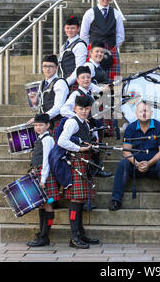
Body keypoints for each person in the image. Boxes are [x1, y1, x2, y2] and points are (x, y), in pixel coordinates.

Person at [109, 101, 160, 212]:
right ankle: (116, 200)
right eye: (141, 111)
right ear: (136, 113)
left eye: (146, 111)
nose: (143, 113)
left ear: (151, 112)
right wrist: (136, 163)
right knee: (123, 164)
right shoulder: (130, 128)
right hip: (136, 166)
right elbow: (126, 151)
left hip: (154, 166)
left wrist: (149, 164)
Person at [58, 95, 100, 249]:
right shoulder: (71, 122)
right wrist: (80, 148)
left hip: (83, 163)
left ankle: (80, 234)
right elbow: (62, 141)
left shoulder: (85, 124)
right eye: (81, 109)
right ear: (74, 108)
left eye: (87, 109)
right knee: (75, 200)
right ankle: (74, 237)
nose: (83, 111)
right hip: (75, 163)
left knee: (80, 200)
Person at [60, 65, 111, 178]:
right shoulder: (76, 94)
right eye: (82, 77)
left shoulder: (90, 92)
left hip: (91, 127)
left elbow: (94, 114)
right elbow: (63, 110)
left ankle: (95, 170)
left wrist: (95, 133)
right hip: (80, 129)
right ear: (77, 80)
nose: (86, 80)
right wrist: (79, 118)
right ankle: (92, 171)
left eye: (88, 77)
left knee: (95, 147)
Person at [80, 0, 125, 82]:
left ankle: (113, 98)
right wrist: (92, 49)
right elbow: (84, 35)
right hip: (93, 53)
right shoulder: (90, 13)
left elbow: (121, 36)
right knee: (92, 82)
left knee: (114, 83)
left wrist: (111, 48)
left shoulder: (116, 14)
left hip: (111, 53)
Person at [27, 113, 60, 247]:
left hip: (45, 175)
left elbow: (46, 160)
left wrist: (43, 179)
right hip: (39, 173)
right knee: (42, 204)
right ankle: (42, 234)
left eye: (41, 125)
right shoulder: (41, 138)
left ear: (48, 125)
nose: (38, 127)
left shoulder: (47, 139)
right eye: (36, 125)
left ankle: (45, 236)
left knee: (47, 204)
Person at [27, 54, 69, 142]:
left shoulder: (60, 83)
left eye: (50, 66)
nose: (47, 69)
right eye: (45, 66)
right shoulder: (42, 84)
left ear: (57, 68)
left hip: (56, 122)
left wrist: (40, 119)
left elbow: (58, 107)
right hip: (46, 123)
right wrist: (35, 103)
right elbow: (43, 106)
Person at [59, 16, 88, 91]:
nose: (69, 30)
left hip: (74, 83)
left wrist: (66, 83)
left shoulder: (80, 45)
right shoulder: (64, 45)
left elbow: (79, 68)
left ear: (78, 29)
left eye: (72, 28)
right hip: (65, 81)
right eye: (67, 28)